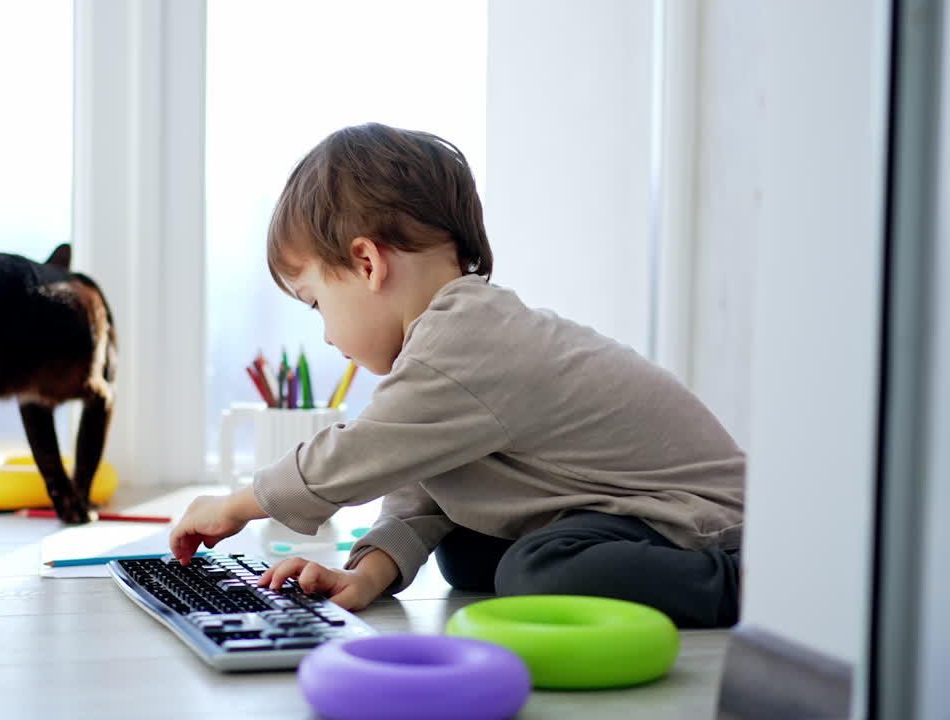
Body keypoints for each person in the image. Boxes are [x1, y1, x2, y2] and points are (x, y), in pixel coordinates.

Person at [169, 122, 743, 628]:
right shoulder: (445, 347)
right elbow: (421, 487)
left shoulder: (468, 339)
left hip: (692, 514)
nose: (324, 334)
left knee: (532, 571)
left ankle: (744, 587)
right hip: (612, 509)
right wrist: (365, 576)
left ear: (367, 263)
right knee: (467, 551)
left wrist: (239, 504)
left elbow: (353, 456)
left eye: (315, 303)